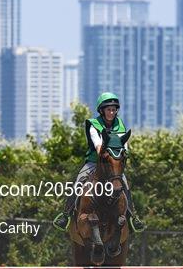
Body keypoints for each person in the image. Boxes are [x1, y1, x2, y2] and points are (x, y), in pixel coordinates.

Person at [52, 92, 145, 233]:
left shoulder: (120, 125)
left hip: (113, 166)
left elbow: (124, 146)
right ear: (102, 110)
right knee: (78, 181)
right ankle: (66, 215)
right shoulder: (93, 125)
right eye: (109, 109)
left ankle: (133, 217)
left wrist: (124, 152)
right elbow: (98, 146)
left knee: (124, 184)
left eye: (114, 109)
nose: (112, 112)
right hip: (94, 163)